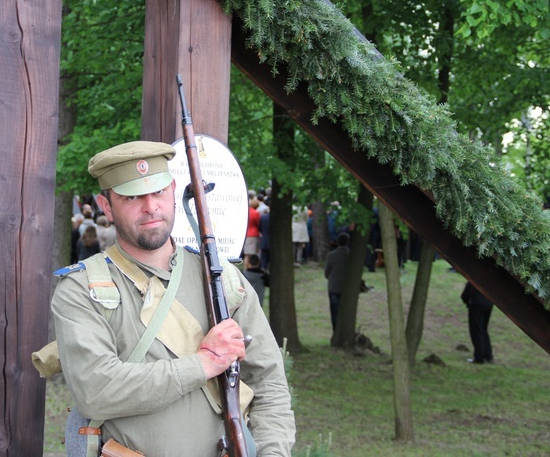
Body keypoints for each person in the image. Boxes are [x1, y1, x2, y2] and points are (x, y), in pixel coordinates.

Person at [51, 141, 295, 456]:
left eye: (159, 192)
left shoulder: (224, 282)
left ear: (173, 189)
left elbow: (268, 383)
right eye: (132, 196)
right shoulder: (81, 288)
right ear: (106, 205)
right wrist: (204, 364)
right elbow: (96, 390)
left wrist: (273, 452)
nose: (150, 206)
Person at [461, 282, 494, 364]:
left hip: (477, 304)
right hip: (488, 303)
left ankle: (479, 357)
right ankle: (488, 355)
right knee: (483, 329)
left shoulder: (476, 277)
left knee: (477, 331)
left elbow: (467, 291)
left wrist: (465, 299)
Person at [324, 232, 350, 331]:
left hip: (334, 286)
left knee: (335, 311)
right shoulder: (351, 255)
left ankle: (336, 330)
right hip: (347, 288)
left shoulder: (331, 255)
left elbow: (327, 273)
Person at [244, 197, 261, 269]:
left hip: (246, 234)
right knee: (252, 253)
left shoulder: (246, 212)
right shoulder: (256, 213)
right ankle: (250, 268)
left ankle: (245, 267)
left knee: (246, 254)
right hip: (253, 234)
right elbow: (258, 224)